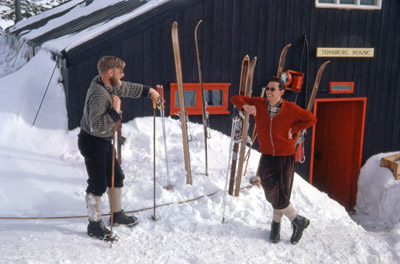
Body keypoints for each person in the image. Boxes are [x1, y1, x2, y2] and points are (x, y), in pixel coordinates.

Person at [78, 56, 160, 240]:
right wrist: (115, 110)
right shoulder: (99, 94)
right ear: (110, 73)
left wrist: (149, 91)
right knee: (97, 183)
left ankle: (116, 215)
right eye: (120, 72)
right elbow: (95, 126)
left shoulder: (106, 83)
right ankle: (94, 224)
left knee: (117, 175)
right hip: (92, 142)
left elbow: (126, 87)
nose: (123, 75)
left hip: (103, 141)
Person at [231, 76, 317, 244]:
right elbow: (235, 98)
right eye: (267, 89)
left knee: (282, 191)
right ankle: (297, 220)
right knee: (270, 186)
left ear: (281, 92)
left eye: (272, 89)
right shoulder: (258, 103)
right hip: (268, 154)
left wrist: (293, 129)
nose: (268, 92)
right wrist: (245, 105)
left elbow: (311, 119)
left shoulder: (291, 108)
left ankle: (276, 227)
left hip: (286, 155)